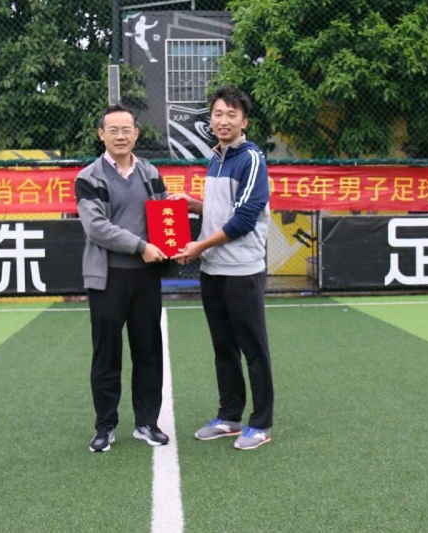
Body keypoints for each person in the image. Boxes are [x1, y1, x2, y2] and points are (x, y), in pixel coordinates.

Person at [171, 86, 274, 450]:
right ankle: (230, 416)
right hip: (212, 270)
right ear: (210, 119)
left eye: (232, 114)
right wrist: (193, 204)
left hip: (242, 270)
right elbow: (222, 210)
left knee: (253, 349)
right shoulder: (216, 158)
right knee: (223, 347)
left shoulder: (251, 159)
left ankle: (260, 424)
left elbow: (244, 219)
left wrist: (199, 246)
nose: (223, 120)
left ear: (244, 122)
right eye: (218, 114)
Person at [76, 103, 171, 453]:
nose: (120, 136)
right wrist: (141, 246)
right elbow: (96, 227)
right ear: (101, 134)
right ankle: (105, 426)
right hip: (108, 279)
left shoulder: (150, 172)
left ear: (136, 134)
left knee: (148, 353)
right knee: (107, 355)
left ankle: (147, 423)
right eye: (113, 130)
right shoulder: (88, 177)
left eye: (126, 129)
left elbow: (164, 214)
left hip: (146, 278)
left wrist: (172, 238)